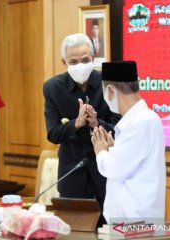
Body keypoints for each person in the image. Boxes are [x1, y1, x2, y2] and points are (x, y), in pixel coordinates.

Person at [43, 33, 120, 214]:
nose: (80, 66)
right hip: (72, 174)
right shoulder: (53, 88)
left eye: (85, 60)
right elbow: (53, 134)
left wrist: (96, 123)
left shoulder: (109, 83)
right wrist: (76, 124)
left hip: (107, 174)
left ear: (93, 58)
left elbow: (120, 129)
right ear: (64, 63)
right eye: (74, 62)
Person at [91, 61, 166, 225]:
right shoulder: (140, 120)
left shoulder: (141, 122)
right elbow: (130, 163)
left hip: (137, 221)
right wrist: (113, 151)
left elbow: (115, 169)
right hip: (129, 222)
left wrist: (101, 152)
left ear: (110, 90)